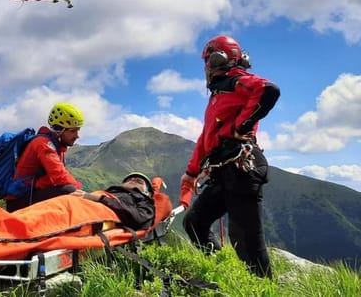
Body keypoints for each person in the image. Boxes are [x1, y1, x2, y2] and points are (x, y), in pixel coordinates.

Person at [179, 35, 280, 279]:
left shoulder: (235, 81)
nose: (205, 67)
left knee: (246, 242)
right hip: (224, 172)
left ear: (216, 59)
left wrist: (242, 125)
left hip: (240, 169)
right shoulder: (219, 92)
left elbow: (268, 89)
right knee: (195, 222)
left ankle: (263, 290)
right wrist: (191, 173)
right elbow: (207, 137)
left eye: (206, 61)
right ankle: (221, 269)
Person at [5, 102, 85, 213]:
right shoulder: (43, 143)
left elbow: (60, 177)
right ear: (60, 130)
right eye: (72, 131)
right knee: (69, 190)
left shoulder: (57, 146)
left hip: (30, 194)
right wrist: (84, 193)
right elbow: (59, 176)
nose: (77, 135)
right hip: (19, 201)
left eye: (78, 130)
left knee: (71, 189)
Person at [73, 172, 156, 230]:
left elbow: (139, 218)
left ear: (147, 192)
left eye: (139, 181)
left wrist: (99, 199)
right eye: (130, 179)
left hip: (93, 214)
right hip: (80, 203)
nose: (133, 180)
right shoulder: (110, 191)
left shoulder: (144, 201)